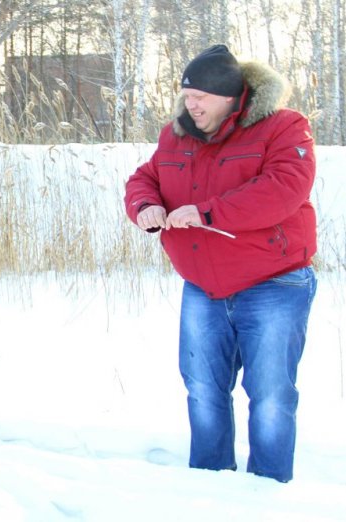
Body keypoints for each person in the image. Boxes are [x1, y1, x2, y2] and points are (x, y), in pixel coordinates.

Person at [124, 45, 317, 483]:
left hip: (274, 285)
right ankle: (209, 486)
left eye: (201, 97)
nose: (190, 104)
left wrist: (208, 212)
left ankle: (267, 491)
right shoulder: (176, 134)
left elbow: (285, 188)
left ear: (231, 95)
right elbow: (145, 178)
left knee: (270, 396)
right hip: (203, 288)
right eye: (187, 95)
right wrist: (145, 205)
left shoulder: (284, 127)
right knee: (203, 390)